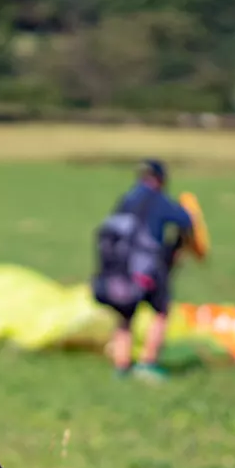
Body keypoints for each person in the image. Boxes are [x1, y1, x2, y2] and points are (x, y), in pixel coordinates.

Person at [93, 159, 194, 381]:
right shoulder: (158, 200)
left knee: (125, 315)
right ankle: (148, 363)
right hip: (146, 268)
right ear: (161, 179)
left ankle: (122, 367)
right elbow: (186, 220)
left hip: (119, 269)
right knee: (161, 312)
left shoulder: (127, 199)